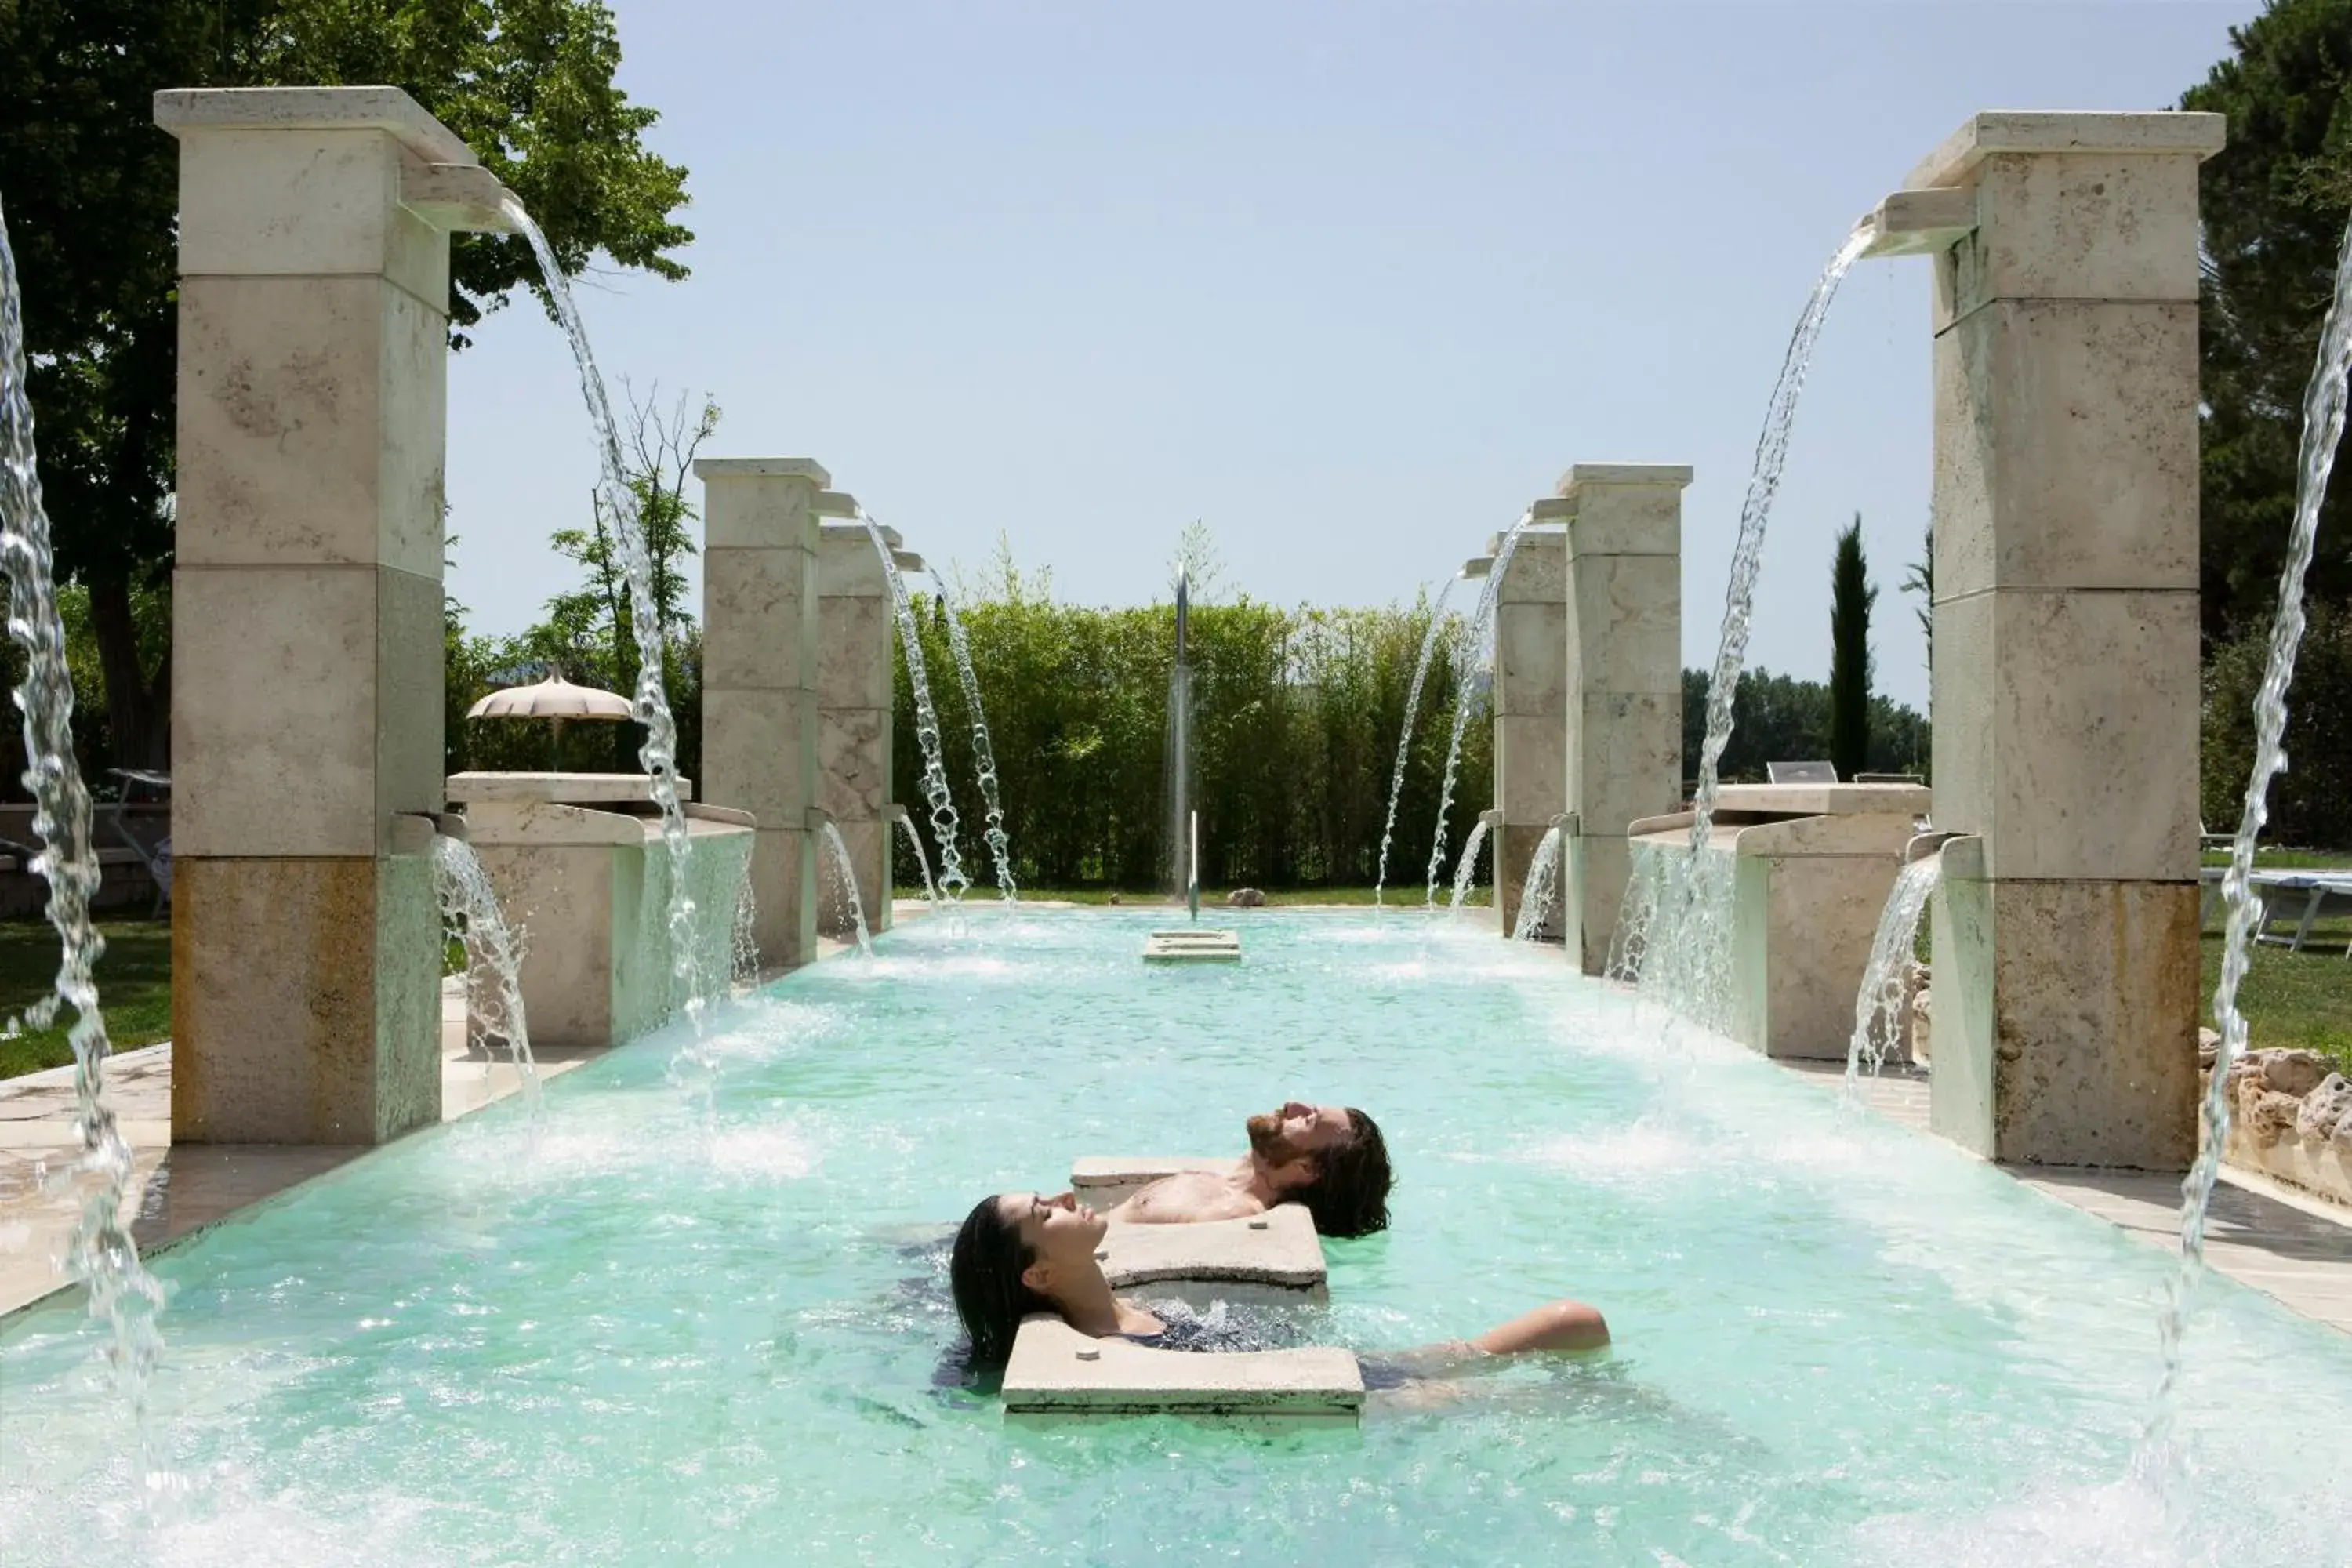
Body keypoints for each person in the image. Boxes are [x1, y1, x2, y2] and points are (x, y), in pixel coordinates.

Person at [951, 1189, 1608, 1377]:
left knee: (1576, 1325)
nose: (1066, 1199)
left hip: (1362, 1371)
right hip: (1370, 1404)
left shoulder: (1117, 1307)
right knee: (1572, 1323)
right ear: (1037, 1274)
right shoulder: (1109, 1346)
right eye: (1046, 1213)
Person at [1107, 1101, 1393, 1237]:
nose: (1292, 1105)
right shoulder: (1223, 1186)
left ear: (1306, 1168)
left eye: (1308, 1120)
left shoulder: (1230, 1212)